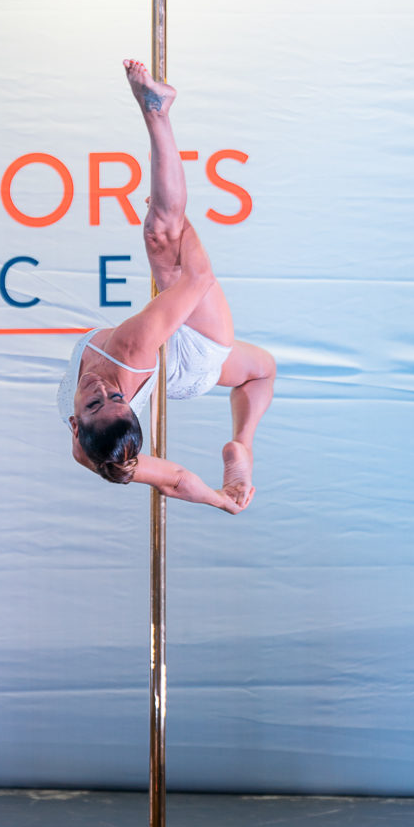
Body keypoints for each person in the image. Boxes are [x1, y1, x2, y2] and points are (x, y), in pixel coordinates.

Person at [57, 60, 275, 514]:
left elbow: (173, 479)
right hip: (192, 352)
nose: (100, 387)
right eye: (113, 397)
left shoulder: (94, 452)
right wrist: (177, 219)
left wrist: (220, 498)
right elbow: (200, 278)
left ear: (75, 427)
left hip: (173, 371)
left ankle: (243, 444)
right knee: (163, 235)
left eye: (97, 401)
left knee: (261, 371)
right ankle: (156, 109)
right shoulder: (129, 350)